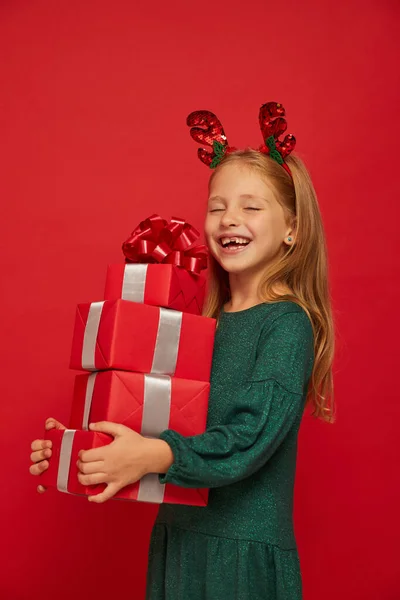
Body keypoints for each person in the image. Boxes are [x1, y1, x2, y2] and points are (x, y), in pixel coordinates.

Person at [29, 102, 335, 600]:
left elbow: (246, 438)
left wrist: (151, 454)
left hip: (239, 561)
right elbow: (150, 416)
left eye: (251, 207)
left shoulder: (287, 325)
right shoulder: (198, 324)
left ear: (292, 229)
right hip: (179, 546)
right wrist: (79, 451)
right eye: (217, 206)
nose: (228, 218)